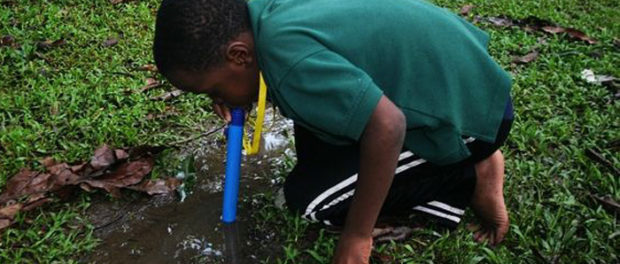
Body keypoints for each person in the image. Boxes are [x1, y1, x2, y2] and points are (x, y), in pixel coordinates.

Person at [152, 0, 514, 262]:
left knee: (310, 202)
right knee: (312, 149)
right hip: (452, 74)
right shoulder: (264, 16)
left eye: (214, 90)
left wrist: (357, 237)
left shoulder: (288, 59)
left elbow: (388, 126)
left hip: (468, 116)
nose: (217, 100)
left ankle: (471, 171)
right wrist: (238, 92)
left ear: (239, 56)